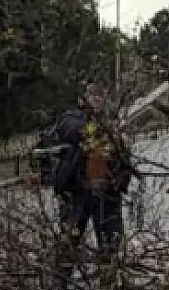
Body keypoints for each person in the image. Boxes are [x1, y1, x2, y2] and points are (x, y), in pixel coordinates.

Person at [47, 87, 132, 258]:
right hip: (78, 191)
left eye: (100, 94)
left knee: (110, 244)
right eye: (92, 95)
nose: (97, 99)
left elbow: (124, 160)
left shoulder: (114, 123)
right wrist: (94, 130)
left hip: (107, 193)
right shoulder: (72, 118)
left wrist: (121, 179)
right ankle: (60, 280)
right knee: (68, 242)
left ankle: (108, 280)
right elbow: (68, 130)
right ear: (82, 99)